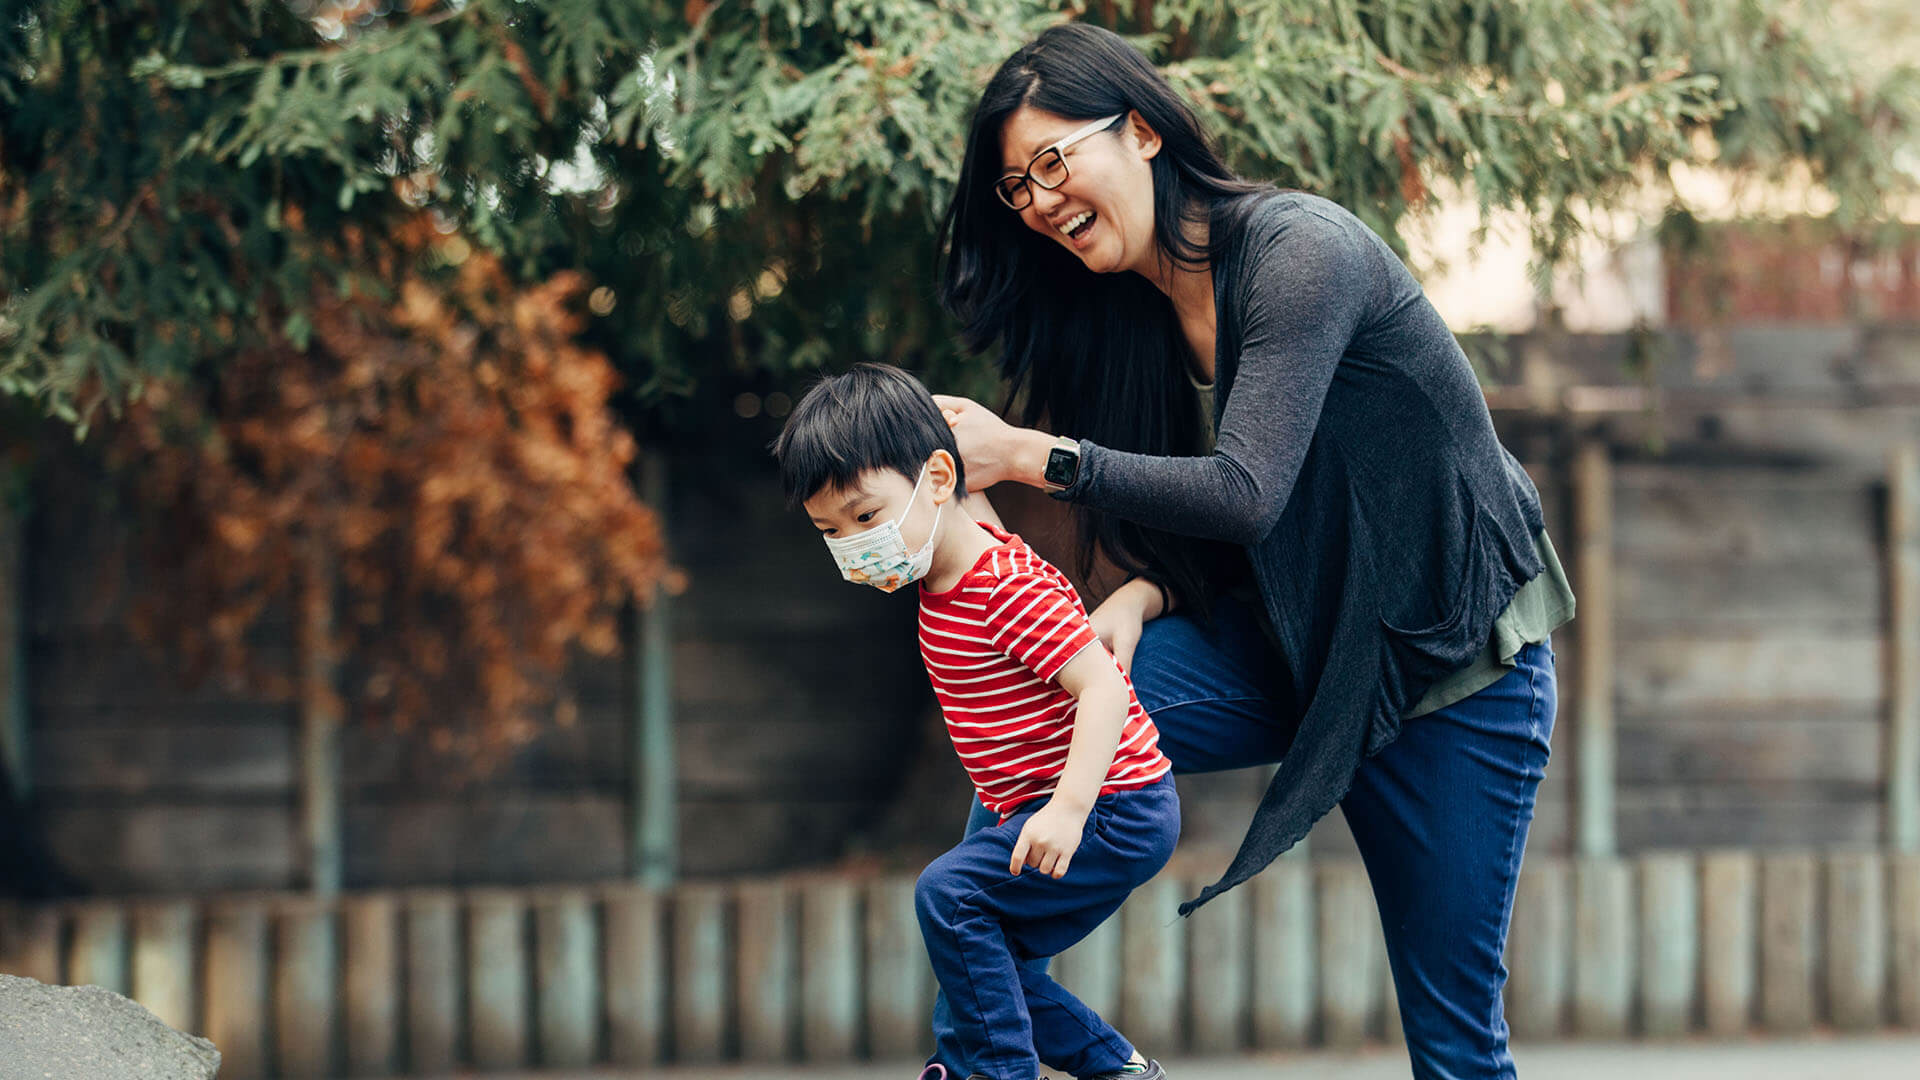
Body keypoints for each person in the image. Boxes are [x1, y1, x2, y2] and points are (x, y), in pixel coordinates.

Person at [930, 23, 1576, 1080]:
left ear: (1141, 131)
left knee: (1456, 1046)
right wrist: (1137, 600)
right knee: (1040, 734)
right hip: (1297, 644)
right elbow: (1244, 533)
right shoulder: (1131, 317)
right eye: (1016, 187)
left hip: (1453, 670)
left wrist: (1030, 456)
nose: (1039, 201)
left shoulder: (1297, 253)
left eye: (1054, 162)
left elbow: (1246, 493)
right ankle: (1015, 1064)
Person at [771, 363, 1180, 1080]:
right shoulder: (945, 560)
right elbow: (968, 500)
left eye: (866, 516)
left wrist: (1067, 810)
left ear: (933, 480)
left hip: (1114, 807)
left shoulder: (1003, 587)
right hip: (1046, 804)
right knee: (988, 962)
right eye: (830, 530)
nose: (854, 541)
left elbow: (1104, 690)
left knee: (949, 896)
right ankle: (1118, 1070)